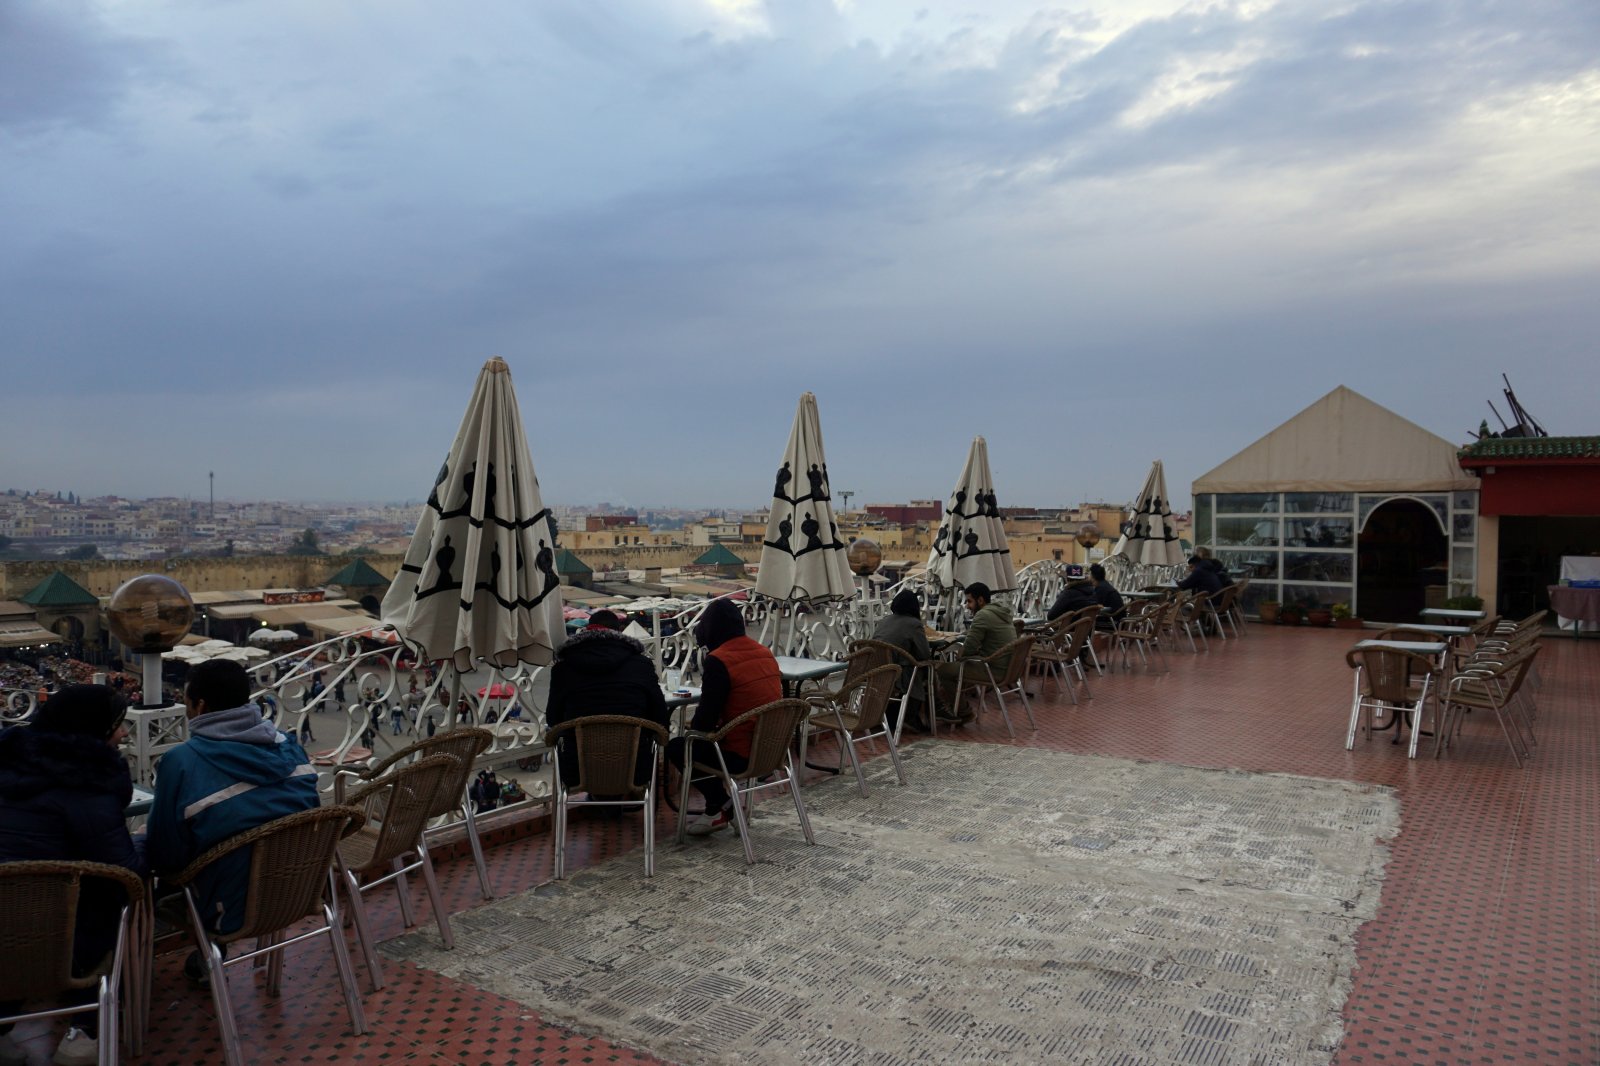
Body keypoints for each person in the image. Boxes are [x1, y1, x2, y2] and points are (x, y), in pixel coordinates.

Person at [144, 660, 319, 981]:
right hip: (299, 890)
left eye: (186, 702)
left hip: (230, 909)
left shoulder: (181, 761)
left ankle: (135, 973)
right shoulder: (290, 746)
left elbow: (166, 855)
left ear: (200, 706)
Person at [0, 686, 146, 1066]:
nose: (123, 734)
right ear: (93, 731)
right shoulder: (90, 786)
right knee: (108, 899)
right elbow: (123, 871)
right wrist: (147, 847)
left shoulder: (9, 760)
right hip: (60, 944)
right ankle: (84, 1030)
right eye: (117, 725)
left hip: (4, 934)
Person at [665, 598, 780, 836]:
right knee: (698, 744)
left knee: (679, 747)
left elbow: (704, 722)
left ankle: (725, 806)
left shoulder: (720, 660)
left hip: (742, 755)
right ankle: (715, 811)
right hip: (772, 750)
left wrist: (697, 727)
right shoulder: (765, 652)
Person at [544, 609, 671, 798]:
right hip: (635, 768)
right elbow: (660, 716)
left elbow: (553, 719)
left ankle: (596, 800)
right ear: (619, 632)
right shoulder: (641, 665)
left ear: (586, 631)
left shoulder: (563, 668)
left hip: (577, 769)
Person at [936, 583, 1014, 720]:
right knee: (957, 668)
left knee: (943, 670)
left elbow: (969, 648)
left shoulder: (983, 615)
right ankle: (952, 705)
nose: (967, 606)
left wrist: (959, 656)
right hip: (1009, 668)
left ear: (980, 600)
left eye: (969, 601)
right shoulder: (1000, 613)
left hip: (993, 670)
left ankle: (963, 712)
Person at [869, 589, 932, 731]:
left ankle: (899, 715)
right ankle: (915, 715)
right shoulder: (914, 624)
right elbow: (924, 654)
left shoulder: (885, 621)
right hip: (898, 674)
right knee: (929, 671)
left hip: (876, 671)